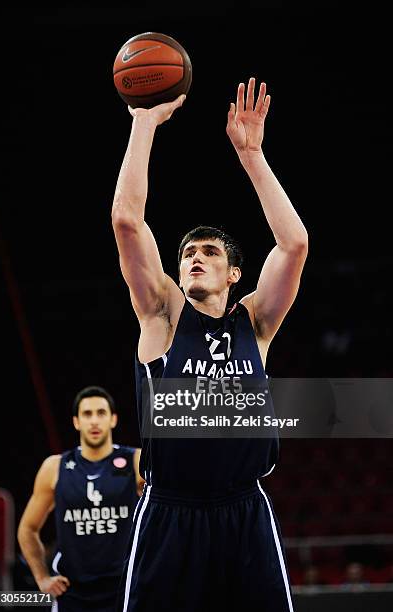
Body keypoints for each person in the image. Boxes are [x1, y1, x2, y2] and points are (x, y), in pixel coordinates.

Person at [112, 78, 308, 611]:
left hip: (243, 509)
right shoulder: (162, 317)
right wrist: (143, 123)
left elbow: (294, 244)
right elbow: (127, 222)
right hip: (170, 511)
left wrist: (253, 156)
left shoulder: (256, 323)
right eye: (187, 254)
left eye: (209, 252)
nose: (195, 258)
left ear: (234, 274)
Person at [18, 386, 143, 611]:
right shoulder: (54, 467)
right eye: (87, 414)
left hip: (123, 591)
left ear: (113, 419)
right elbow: (27, 528)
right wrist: (41, 578)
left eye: (101, 413)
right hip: (72, 593)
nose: (94, 421)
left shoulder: (136, 461)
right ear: (76, 422)